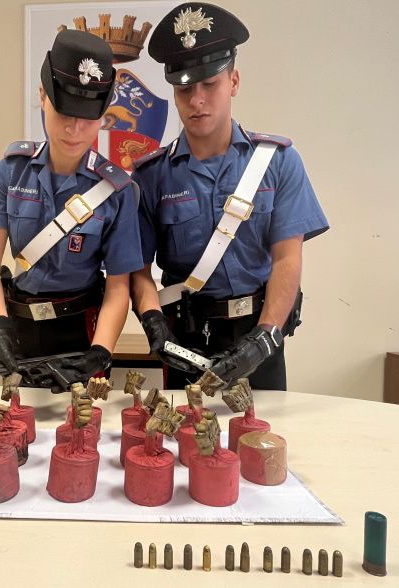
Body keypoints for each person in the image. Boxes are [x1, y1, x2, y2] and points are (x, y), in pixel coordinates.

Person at [130, 2, 329, 391]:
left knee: (264, 429)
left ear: (233, 81)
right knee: (183, 430)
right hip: (185, 337)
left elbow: (287, 258)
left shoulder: (278, 162)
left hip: (259, 334)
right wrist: (153, 322)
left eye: (210, 84)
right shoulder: (151, 176)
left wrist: (264, 339)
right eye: (185, 88)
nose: (197, 100)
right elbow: (138, 269)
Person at [0, 29, 143, 388]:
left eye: (88, 117)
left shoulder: (117, 191)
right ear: (43, 96)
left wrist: (100, 352)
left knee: (83, 423)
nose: (74, 128)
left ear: (103, 114)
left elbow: (118, 287)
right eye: (65, 111)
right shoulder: (11, 171)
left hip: (82, 331)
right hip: (18, 327)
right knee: (16, 420)